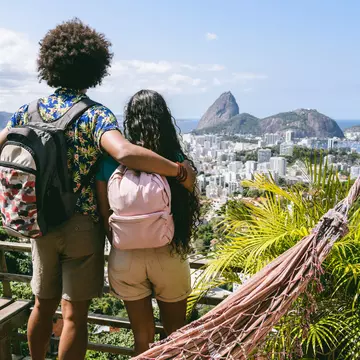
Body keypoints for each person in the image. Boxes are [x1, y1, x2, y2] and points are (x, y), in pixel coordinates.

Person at [0, 20, 195, 360]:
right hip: (81, 226)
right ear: (95, 68)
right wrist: (178, 170)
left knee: (42, 307)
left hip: (38, 223)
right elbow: (124, 152)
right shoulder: (96, 116)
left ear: (49, 64)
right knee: (74, 314)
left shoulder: (26, 111)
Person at [96, 89, 200, 355]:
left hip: (125, 255)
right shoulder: (176, 161)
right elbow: (187, 203)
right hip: (168, 253)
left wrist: (121, 243)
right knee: (176, 334)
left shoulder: (109, 161)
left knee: (142, 336)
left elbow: (104, 213)